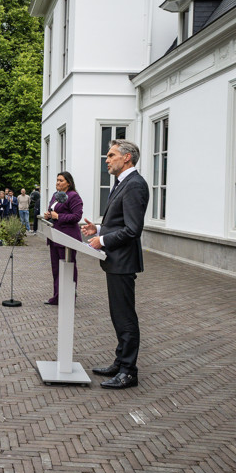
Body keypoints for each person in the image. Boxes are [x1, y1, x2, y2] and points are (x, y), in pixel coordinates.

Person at [82, 139, 150, 389]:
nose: (107, 159)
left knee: (125, 317)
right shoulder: (123, 183)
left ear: (127, 157)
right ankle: (120, 362)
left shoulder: (135, 185)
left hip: (123, 261)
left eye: (111, 155)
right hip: (116, 261)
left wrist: (102, 240)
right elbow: (121, 222)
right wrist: (99, 229)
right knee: (118, 315)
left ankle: (128, 371)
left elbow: (133, 229)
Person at [43, 172, 83, 306]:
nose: (58, 182)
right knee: (56, 269)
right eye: (57, 180)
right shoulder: (56, 195)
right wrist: (49, 215)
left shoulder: (73, 196)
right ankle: (57, 297)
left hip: (67, 238)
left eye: (61, 180)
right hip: (54, 237)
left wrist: (58, 216)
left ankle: (69, 298)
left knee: (68, 268)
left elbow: (76, 216)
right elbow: (53, 213)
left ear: (69, 183)